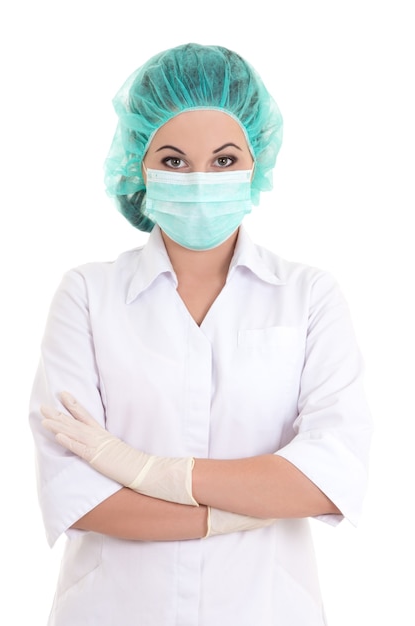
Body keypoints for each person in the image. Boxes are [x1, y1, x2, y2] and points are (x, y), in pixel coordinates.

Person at [29, 43, 372, 626]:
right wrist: (247, 505)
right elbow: (80, 498)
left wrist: (143, 469)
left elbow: (327, 477)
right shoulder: (88, 295)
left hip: (266, 609)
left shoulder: (308, 296)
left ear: (255, 163)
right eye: (173, 160)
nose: (198, 179)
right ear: (138, 164)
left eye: (223, 159)